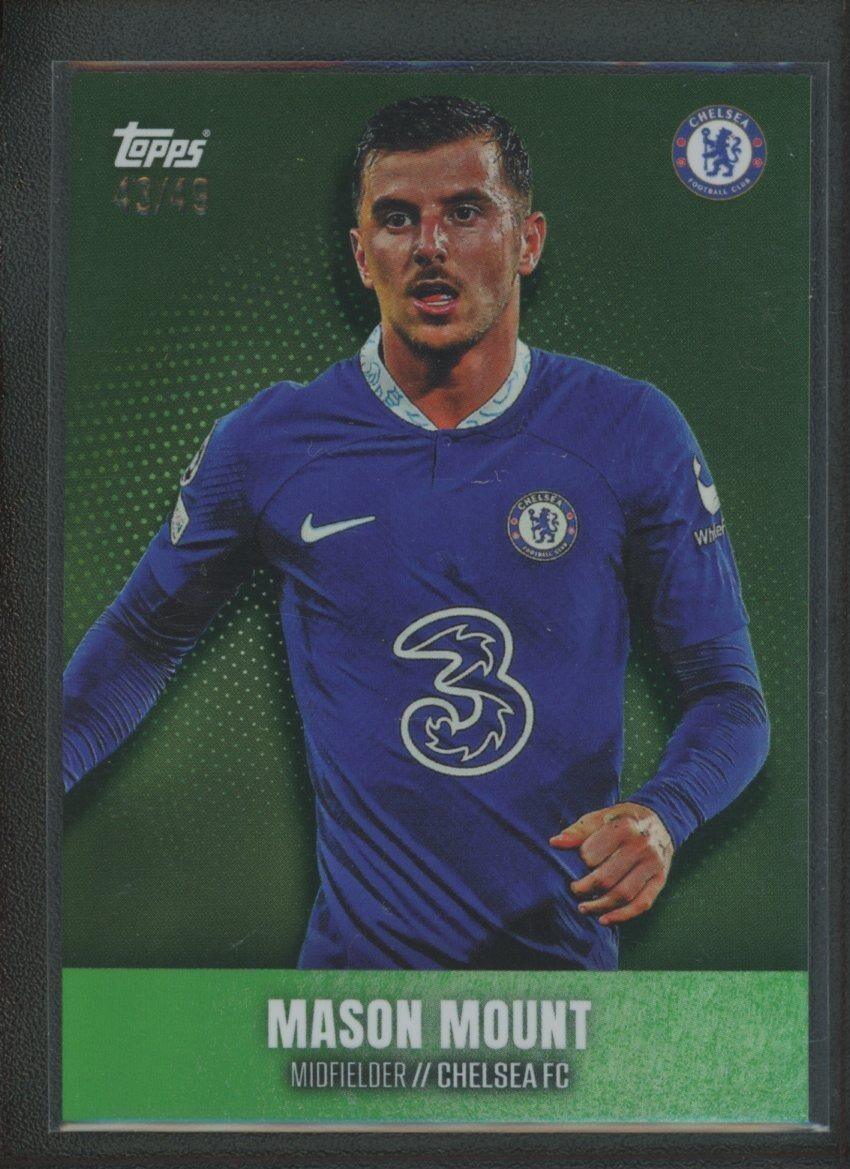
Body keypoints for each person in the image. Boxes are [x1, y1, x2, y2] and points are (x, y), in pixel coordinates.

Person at [63, 96, 769, 970]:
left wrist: (666, 813)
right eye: (398, 219)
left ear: (528, 241)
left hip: (559, 1007)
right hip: (351, 1006)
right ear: (363, 255)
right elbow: (139, 639)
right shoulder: (269, 444)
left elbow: (730, 697)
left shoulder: (630, 430)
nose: (430, 245)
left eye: (465, 212)